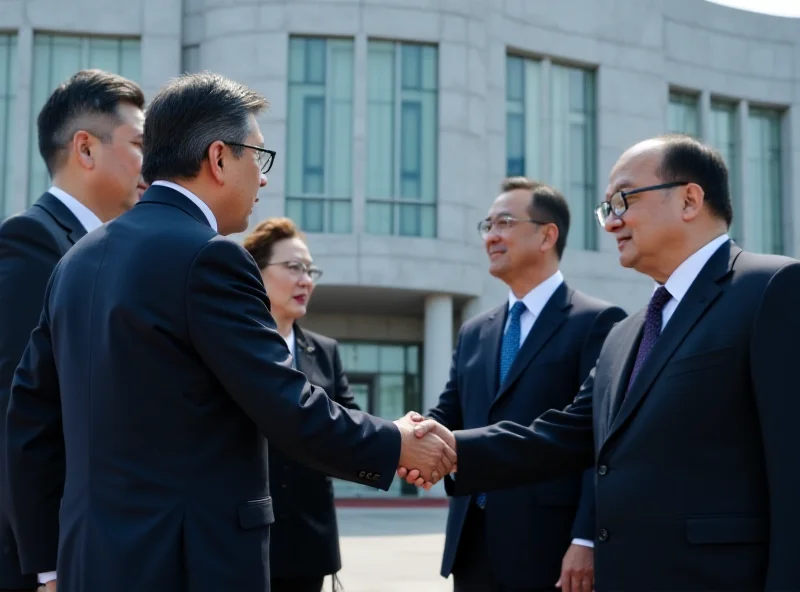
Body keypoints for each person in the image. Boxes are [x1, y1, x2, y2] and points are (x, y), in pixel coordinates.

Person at [4, 72, 454, 592]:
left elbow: (29, 419)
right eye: (257, 157)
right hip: (189, 565)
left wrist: (48, 566)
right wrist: (396, 442)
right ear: (218, 158)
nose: (262, 179)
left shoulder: (77, 259)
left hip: (87, 563)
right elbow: (287, 404)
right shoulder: (210, 258)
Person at [407, 134, 800, 591]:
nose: (611, 223)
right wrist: (445, 446)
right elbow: (562, 436)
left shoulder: (771, 289)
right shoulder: (626, 334)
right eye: (606, 208)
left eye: (623, 201)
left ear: (690, 199)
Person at [424, 179, 625, 592]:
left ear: (547, 234)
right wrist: (410, 436)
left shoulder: (597, 323)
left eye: (505, 222)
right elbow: (449, 413)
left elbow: (598, 441)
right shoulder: (475, 331)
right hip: (472, 540)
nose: (491, 236)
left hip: (549, 548)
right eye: (488, 225)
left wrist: (585, 538)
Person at [0, 68, 145, 592]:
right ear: (86, 149)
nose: (149, 166)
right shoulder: (34, 241)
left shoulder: (102, 252)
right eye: (138, 144)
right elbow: (17, 414)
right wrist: (47, 565)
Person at [242, 217, 355, 592]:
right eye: (294, 267)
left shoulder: (325, 352)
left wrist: (402, 441)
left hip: (309, 544)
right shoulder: (229, 347)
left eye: (310, 270)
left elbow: (350, 429)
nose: (306, 280)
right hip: (241, 538)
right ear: (256, 272)